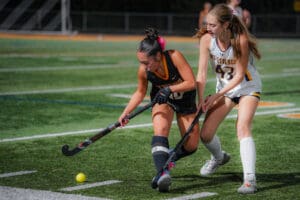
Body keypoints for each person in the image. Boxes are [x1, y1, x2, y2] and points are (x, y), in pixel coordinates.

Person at [118, 27, 200, 192]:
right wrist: (125, 112)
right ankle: (163, 174)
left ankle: (167, 158)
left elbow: (191, 82)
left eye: (146, 62)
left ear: (158, 56)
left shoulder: (174, 57)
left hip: (185, 100)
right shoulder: (144, 71)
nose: (144, 67)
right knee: (161, 129)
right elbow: (140, 92)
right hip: (162, 100)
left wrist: (169, 89)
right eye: (141, 63)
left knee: (191, 146)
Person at [195, 4, 261, 194]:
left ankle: (250, 180)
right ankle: (219, 158)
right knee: (206, 135)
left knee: (242, 127)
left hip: (247, 87)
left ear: (225, 25)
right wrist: (201, 100)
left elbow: (240, 76)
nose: (208, 28)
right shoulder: (207, 40)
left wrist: (216, 95)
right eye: (207, 24)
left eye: (213, 25)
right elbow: (201, 73)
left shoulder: (240, 40)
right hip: (225, 90)